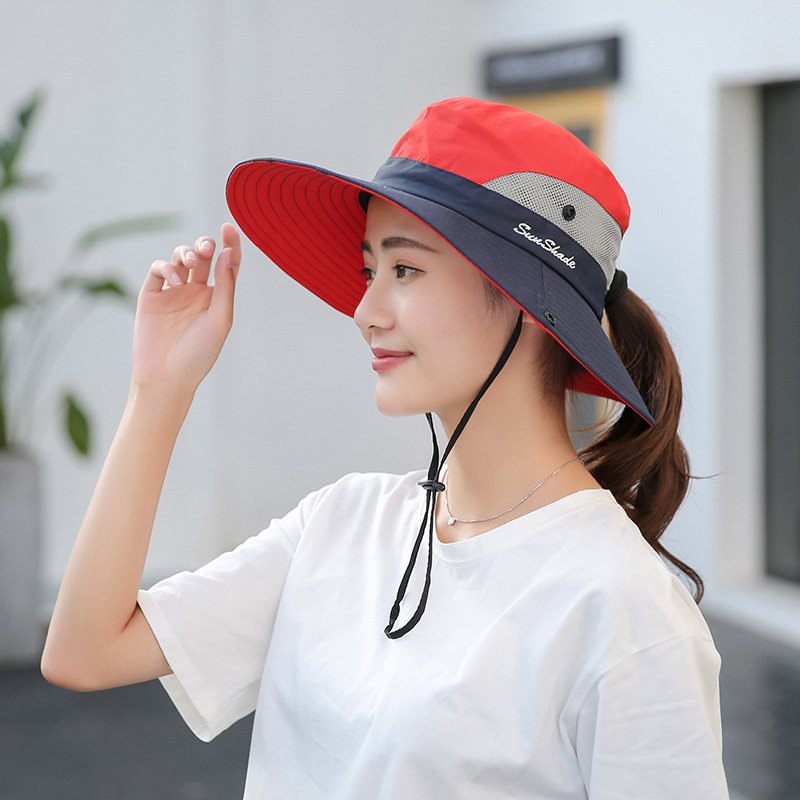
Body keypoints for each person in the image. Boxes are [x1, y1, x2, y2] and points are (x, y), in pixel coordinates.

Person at [42, 97, 729, 798]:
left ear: (526, 297)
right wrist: (158, 390)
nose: (364, 311)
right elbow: (84, 653)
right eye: (371, 271)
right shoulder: (343, 523)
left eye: (405, 270)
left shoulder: (624, 610)